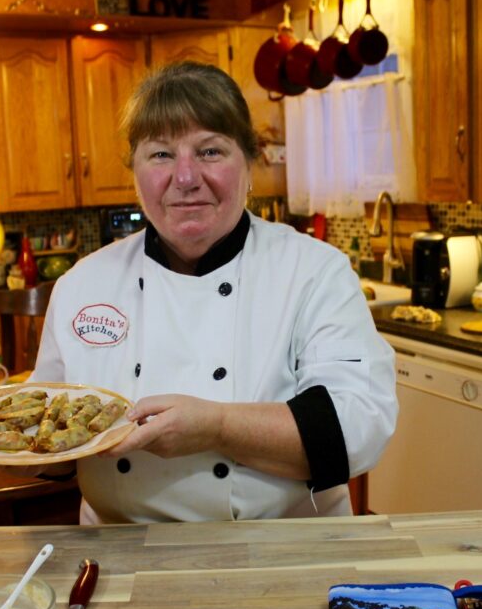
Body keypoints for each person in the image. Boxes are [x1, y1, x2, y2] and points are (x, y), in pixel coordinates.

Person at [28, 61, 397, 524]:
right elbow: (48, 446)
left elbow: (358, 429)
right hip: (120, 553)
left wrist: (216, 427)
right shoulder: (83, 283)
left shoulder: (314, 272)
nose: (185, 178)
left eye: (209, 151)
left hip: (284, 551)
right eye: (160, 154)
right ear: (134, 171)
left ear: (249, 163)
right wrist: (0, 415)